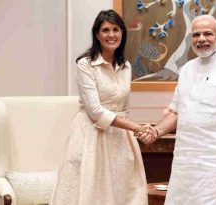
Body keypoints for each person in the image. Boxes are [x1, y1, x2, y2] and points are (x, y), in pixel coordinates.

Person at [139, 15, 216, 205]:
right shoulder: (185, 70)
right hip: (184, 165)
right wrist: (156, 131)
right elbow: (177, 112)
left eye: (207, 33)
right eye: (196, 35)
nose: (201, 38)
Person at [50, 9, 154, 205]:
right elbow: (95, 112)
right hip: (90, 137)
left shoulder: (126, 66)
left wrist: (138, 132)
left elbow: (125, 107)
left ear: (122, 33)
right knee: (89, 193)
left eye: (116, 29)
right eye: (105, 30)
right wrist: (138, 128)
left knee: (122, 193)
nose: (111, 35)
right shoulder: (85, 64)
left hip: (120, 139)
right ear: (97, 34)